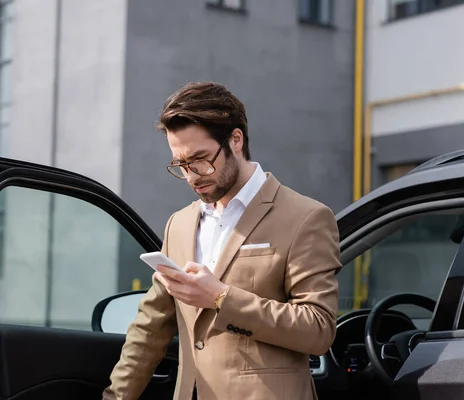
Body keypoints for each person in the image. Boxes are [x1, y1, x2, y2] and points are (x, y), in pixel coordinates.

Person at [102, 82, 341, 400]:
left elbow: (318, 329)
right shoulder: (179, 224)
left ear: (236, 140)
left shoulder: (305, 217)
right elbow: (151, 326)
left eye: (200, 159)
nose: (191, 176)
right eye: (181, 165)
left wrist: (222, 299)